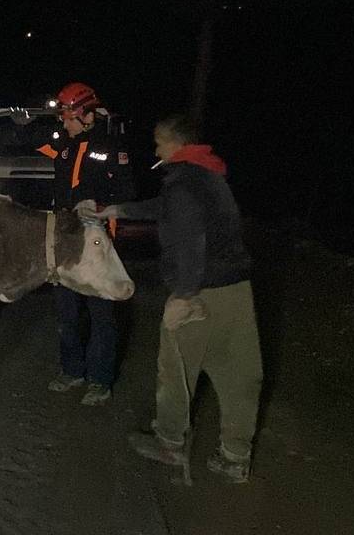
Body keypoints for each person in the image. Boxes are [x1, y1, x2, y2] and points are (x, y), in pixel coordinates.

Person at [96, 114, 261, 483]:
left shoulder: (183, 183)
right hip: (236, 290)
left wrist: (183, 296)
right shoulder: (208, 175)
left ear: (177, 144)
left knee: (175, 369)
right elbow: (165, 208)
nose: (155, 149)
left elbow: (189, 243)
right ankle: (235, 456)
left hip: (200, 292)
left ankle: (169, 442)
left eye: (159, 142)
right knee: (239, 375)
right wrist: (117, 210)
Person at [36, 81, 127, 406]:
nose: (63, 122)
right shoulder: (64, 143)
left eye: (68, 116)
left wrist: (99, 205)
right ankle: (72, 369)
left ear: (87, 115)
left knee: (101, 313)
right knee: (67, 311)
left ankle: (100, 380)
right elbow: (39, 143)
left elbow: (128, 191)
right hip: (64, 240)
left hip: (97, 245)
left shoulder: (110, 144)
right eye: (62, 116)